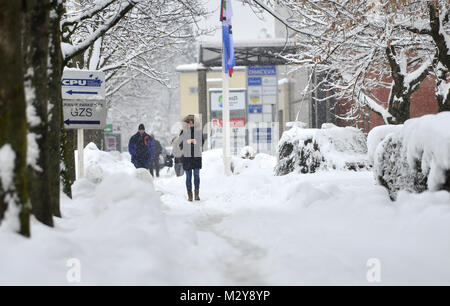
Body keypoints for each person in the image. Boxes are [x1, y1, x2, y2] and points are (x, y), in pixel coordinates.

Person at [179, 115, 204, 202]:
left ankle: (196, 194)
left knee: (196, 176)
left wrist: (195, 141)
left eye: (192, 123)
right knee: (188, 177)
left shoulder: (198, 131)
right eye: (189, 123)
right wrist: (187, 142)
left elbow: (202, 142)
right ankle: (190, 195)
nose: (191, 125)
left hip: (196, 156)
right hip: (187, 157)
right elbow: (180, 145)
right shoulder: (183, 132)